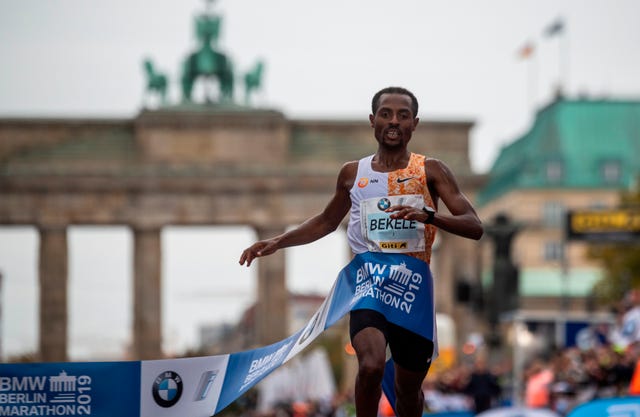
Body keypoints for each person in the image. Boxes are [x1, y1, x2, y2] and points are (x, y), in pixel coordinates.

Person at [240, 86, 483, 417]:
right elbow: (327, 221)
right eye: (386, 114)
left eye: (403, 115)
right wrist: (277, 241)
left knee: (407, 392)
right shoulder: (353, 174)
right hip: (369, 282)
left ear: (415, 124)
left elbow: (474, 225)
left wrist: (428, 216)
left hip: (412, 288)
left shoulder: (431, 171)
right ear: (373, 121)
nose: (394, 121)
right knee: (369, 366)